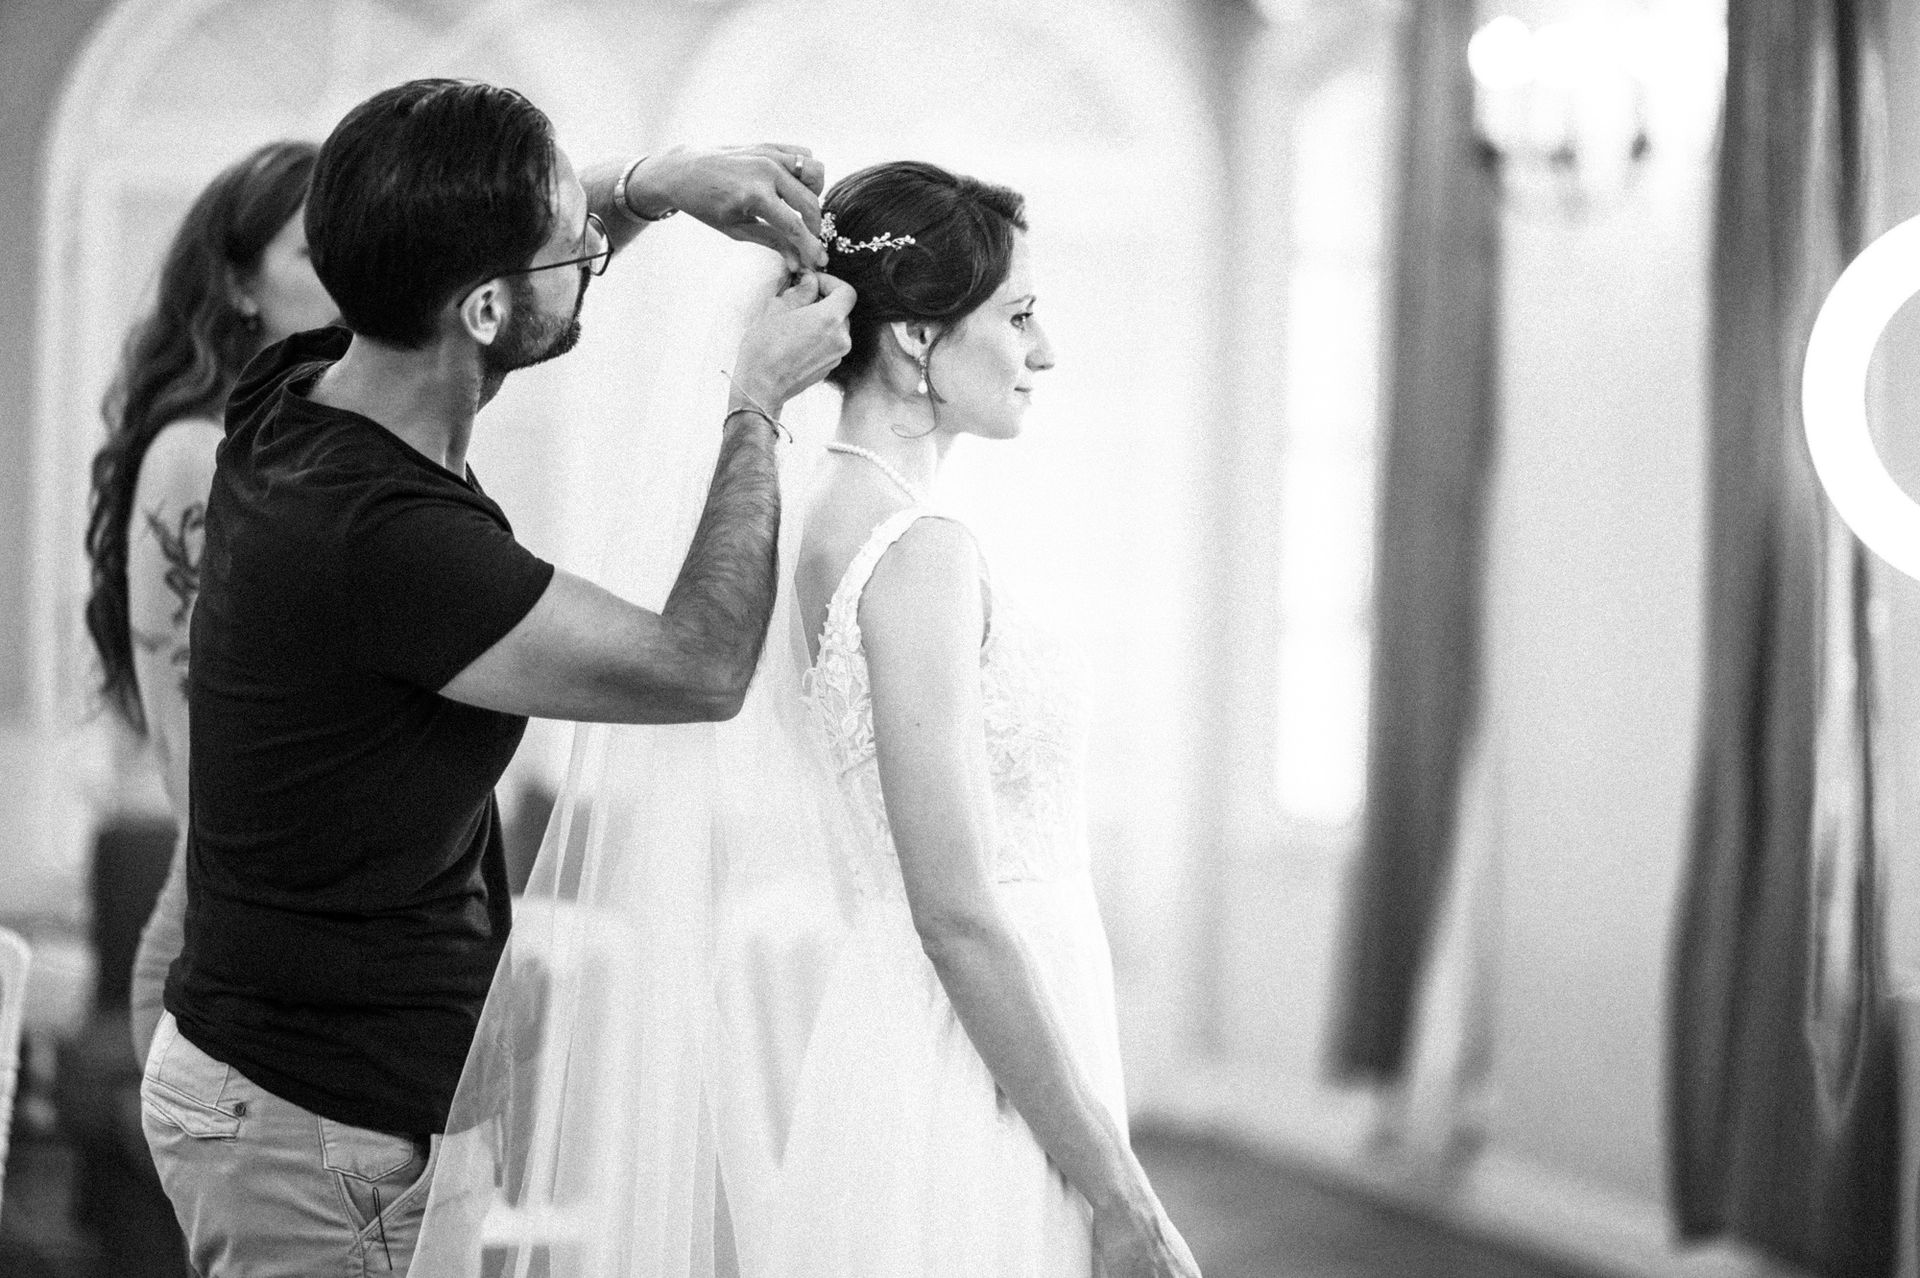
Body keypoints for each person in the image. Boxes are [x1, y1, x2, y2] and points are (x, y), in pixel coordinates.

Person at [418, 160, 1202, 1278]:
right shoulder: (920, 555)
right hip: (969, 1058)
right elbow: (958, 913)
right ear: (920, 340)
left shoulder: (835, 523)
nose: (1046, 351)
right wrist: (1116, 1187)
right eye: (1020, 315)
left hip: (921, 1030)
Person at [136, 77, 853, 1278]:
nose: (591, 256)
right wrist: (757, 407)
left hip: (309, 1099)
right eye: (570, 248)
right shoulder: (388, 538)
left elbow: (482, 279)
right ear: (479, 308)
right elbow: (698, 664)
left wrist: (652, 187)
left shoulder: (297, 394)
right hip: (317, 1136)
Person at [81, 139, 338, 1068]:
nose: (352, 278)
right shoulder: (198, 453)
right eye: (318, 255)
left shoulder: (327, 446)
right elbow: (193, 747)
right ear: (239, 285)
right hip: (237, 946)